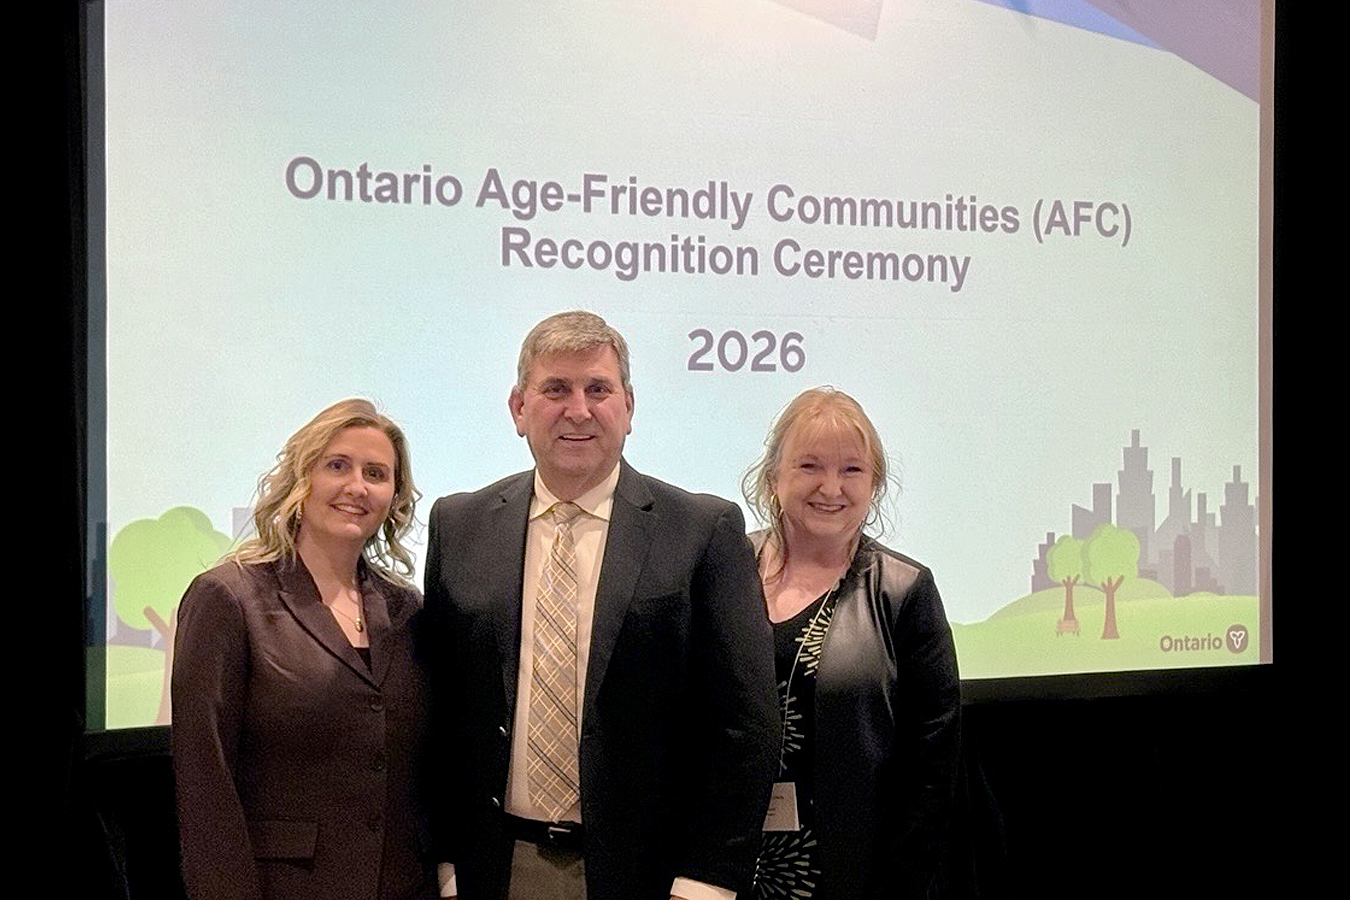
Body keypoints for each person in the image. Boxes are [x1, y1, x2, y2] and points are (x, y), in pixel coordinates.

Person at [423, 310, 779, 900]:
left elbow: (744, 723)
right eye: (555, 389)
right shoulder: (459, 525)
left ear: (629, 408)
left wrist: (707, 879)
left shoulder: (700, 529)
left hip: (652, 876)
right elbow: (439, 710)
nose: (578, 410)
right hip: (495, 867)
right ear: (518, 408)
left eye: (598, 389)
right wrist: (444, 861)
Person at [172, 399, 436, 900]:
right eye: (337, 465)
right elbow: (205, 785)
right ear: (301, 477)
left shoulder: (408, 611)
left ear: (393, 497)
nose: (357, 487)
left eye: (376, 473)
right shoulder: (227, 598)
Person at [743, 388, 961, 900]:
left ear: (875, 484)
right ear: (775, 477)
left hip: (856, 876)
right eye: (810, 466)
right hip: (729, 869)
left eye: (852, 470)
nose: (831, 487)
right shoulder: (726, 569)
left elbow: (932, 768)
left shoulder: (905, 590)